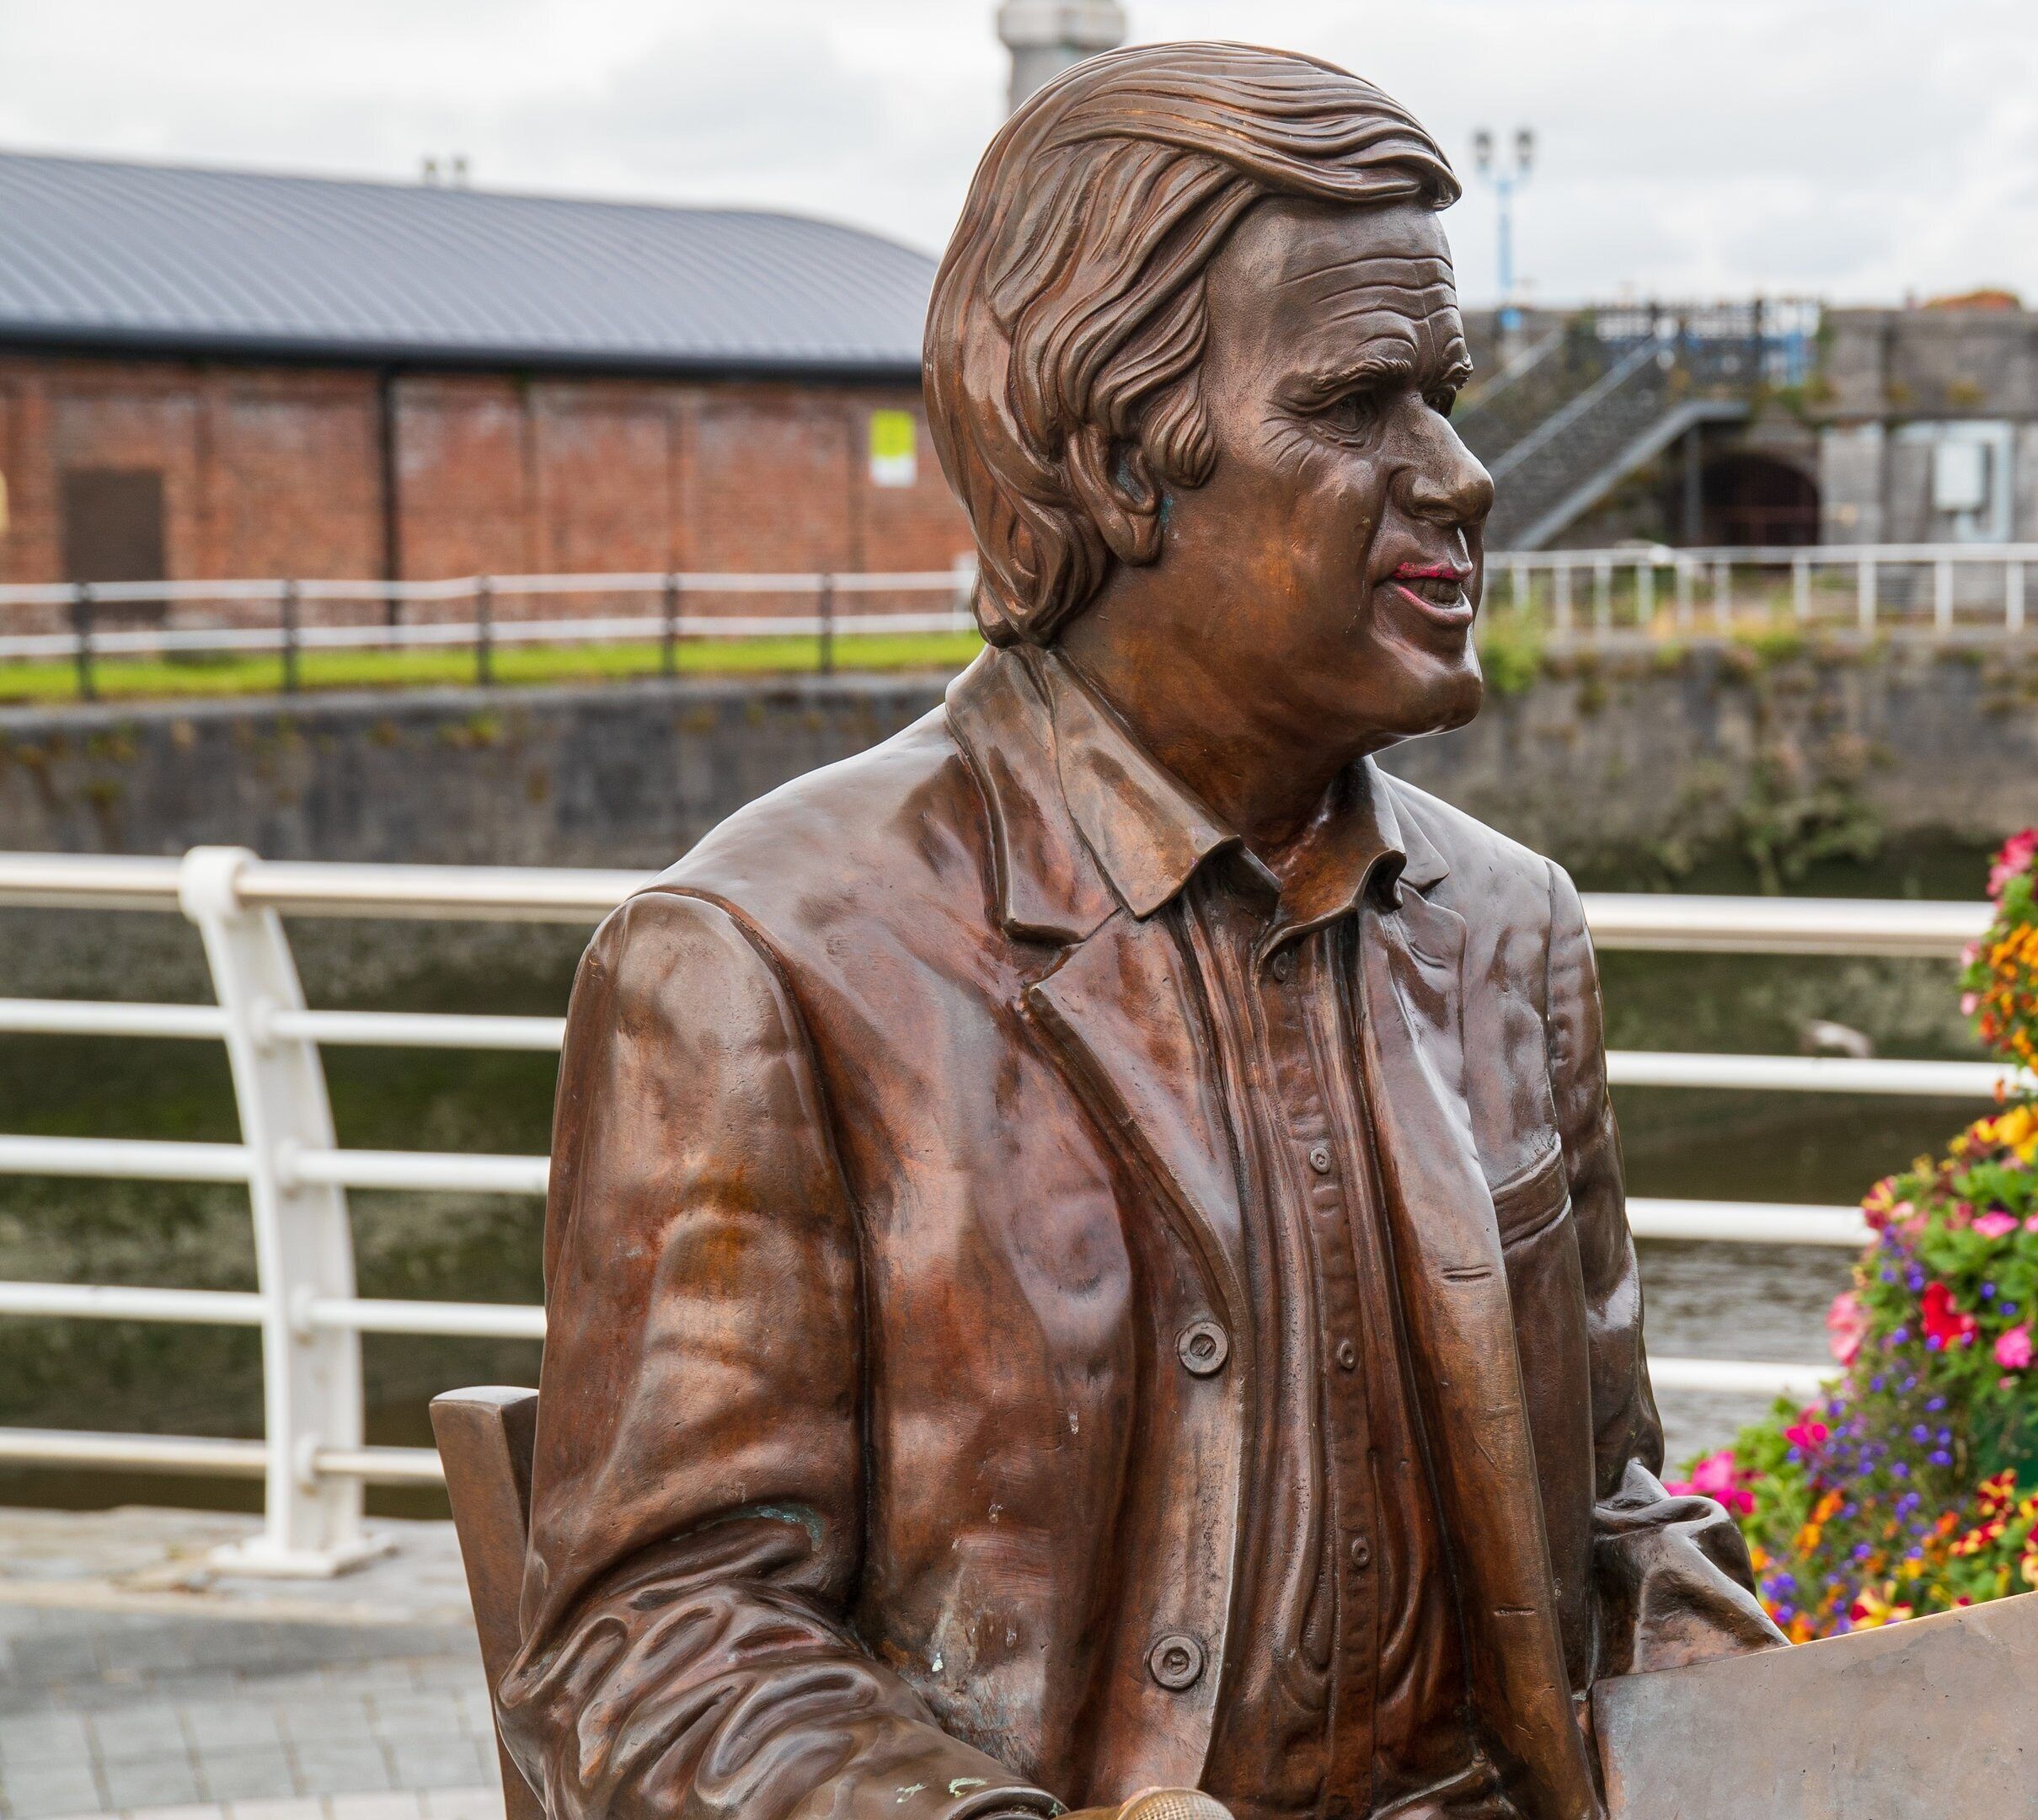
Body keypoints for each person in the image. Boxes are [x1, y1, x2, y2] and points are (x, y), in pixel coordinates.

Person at [497, 42, 1783, 1820]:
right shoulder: (765, 960)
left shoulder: (1509, 929)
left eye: (1448, 394)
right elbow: (655, 1653)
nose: (1465, 476)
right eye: (1358, 407)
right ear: (1116, 465)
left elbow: (1610, 1517)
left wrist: (1828, 1747)